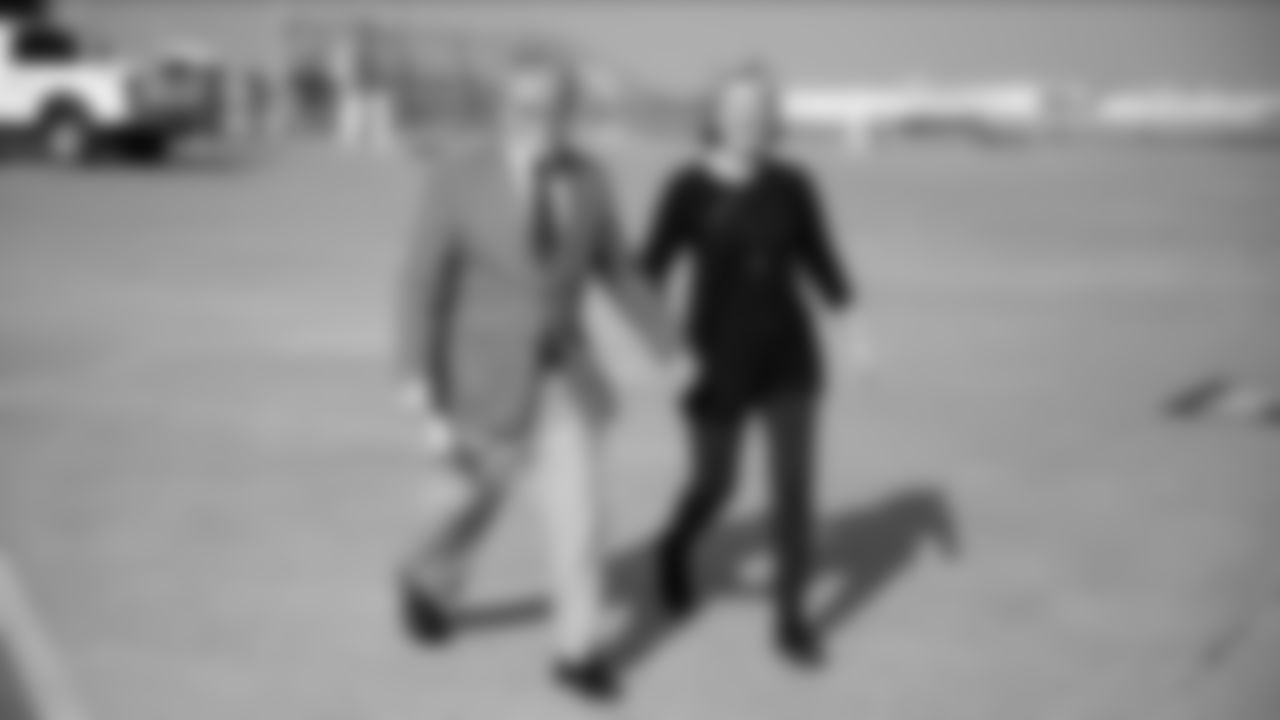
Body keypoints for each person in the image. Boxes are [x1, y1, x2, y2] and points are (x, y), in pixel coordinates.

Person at [395, 53, 681, 702]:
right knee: (463, 506)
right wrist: (417, 383)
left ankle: (577, 651)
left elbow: (619, 271)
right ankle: (426, 580)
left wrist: (671, 347)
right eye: (526, 104)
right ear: (504, 107)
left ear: (568, 110)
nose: (540, 116)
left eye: (554, 104)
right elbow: (420, 284)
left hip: (564, 382)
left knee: (581, 523)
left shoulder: (590, 179)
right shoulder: (458, 178)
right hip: (478, 383)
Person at [641, 63, 856, 667]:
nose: (750, 121)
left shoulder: (794, 184)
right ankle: (673, 548)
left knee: (795, 489)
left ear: (773, 119)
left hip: (791, 357)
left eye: (761, 110)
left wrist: (854, 328)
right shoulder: (686, 188)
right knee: (716, 483)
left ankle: (791, 617)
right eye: (737, 110)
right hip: (712, 361)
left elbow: (820, 259)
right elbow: (648, 272)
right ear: (714, 116)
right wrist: (666, 353)